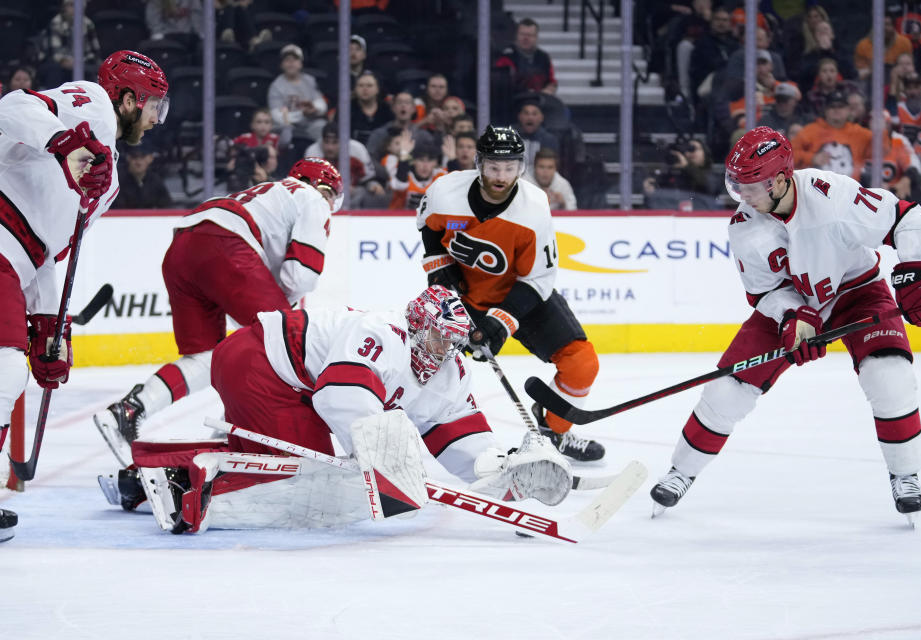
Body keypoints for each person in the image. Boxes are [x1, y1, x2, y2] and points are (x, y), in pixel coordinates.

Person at [649, 126, 921, 522]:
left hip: (857, 292)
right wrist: (792, 316)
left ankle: (905, 476)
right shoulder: (743, 227)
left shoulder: (831, 194)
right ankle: (679, 472)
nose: (743, 197)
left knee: (889, 375)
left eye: (751, 186)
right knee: (726, 390)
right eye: (736, 185)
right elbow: (764, 292)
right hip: (794, 307)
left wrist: (915, 270)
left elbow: (907, 218)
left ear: (782, 180)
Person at [109, 285, 573, 534]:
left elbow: (453, 431)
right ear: (417, 326)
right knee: (299, 477)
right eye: (439, 337)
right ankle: (178, 487)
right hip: (257, 361)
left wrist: (500, 469)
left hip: (293, 384)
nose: (446, 350)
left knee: (296, 464)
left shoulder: (450, 371)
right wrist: (377, 459)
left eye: (453, 342)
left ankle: (142, 474)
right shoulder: (383, 334)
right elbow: (339, 397)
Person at [0, 49, 168, 542]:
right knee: (5, 369)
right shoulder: (92, 103)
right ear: (130, 99)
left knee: (10, 371)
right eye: (156, 104)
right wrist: (67, 141)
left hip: (14, 260)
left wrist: (51, 324)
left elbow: (47, 252)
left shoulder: (109, 178)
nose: (158, 118)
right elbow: (10, 108)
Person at [93, 158, 344, 467]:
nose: (332, 203)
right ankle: (249, 431)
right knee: (277, 346)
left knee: (207, 356)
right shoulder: (312, 198)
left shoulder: (269, 192)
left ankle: (130, 409)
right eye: (333, 195)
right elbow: (301, 276)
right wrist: (281, 312)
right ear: (325, 188)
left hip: (183, 246)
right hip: (225, 245)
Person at [416, 125, 605, 462]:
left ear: (521, 167)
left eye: (509, 167)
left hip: (521, 297)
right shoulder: (445, 192)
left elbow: (539, 278)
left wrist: (499, 323)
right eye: (492, 167)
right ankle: (410, 439)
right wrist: (441, 272)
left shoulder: (533, 209)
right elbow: (429, 230)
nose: (501, 176)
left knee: (582, 363)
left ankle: (553, 433)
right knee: (422, 364)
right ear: (478, 164)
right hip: (461, 296)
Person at [791, 89, 873, 181]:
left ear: (848, 110)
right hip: (816, 190)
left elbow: (882, 152)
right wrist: (811, 158)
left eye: (840, 107)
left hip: (850, 190)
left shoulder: (860, 133)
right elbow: (789, 155)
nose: (836, 110)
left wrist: (880, 130)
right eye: (832, 107)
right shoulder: (810, 131)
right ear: (825, 110)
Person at [305, 121, 386, 208]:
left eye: (335, 142)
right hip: (322, 200)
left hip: (354, 197)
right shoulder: (313, 153)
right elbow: (306, 185)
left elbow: (367, 179)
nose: (330, 147)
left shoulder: (357, 150)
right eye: (326, 142)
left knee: (365, 193)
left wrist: (373, 185)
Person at [268, 44, 328, 142]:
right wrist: (301, 114)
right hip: (287, 126)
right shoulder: (276, 86)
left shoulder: (310, 80)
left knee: (321, 126)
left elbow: (322, 104)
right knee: (285, 131)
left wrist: (314, 108)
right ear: (282, 65)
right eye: (287, 60)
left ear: (301, 63)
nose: (291, 63)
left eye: (295, 60)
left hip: (309, 123)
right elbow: (276, 116)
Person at [494, 18, 558, 96]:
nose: (526, 38)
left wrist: (550, 89)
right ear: (516, 35)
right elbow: (503, 84)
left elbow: (551, 81)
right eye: (522, 34)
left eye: (530, 35)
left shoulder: (544, 57)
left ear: (536, 37)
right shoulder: (506, 57)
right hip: (514, 100)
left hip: (540, 99)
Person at [113, 142, 173, 209]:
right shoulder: (117, 180)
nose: (138, 162)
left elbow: (167, 208)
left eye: (143, 157)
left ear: (151, 158)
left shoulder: (155, 181)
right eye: (134, 157)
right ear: (128, 158)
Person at [388, 144, 447, 210]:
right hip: (399, 218)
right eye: (421, 160)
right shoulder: (402, 174)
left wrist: (452, 160)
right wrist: (404, 155)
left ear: (436, 162)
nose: (425, 165)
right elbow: (399, 185)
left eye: (430, 160)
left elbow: (457, 190)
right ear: (414, 161)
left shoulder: (441, 175)